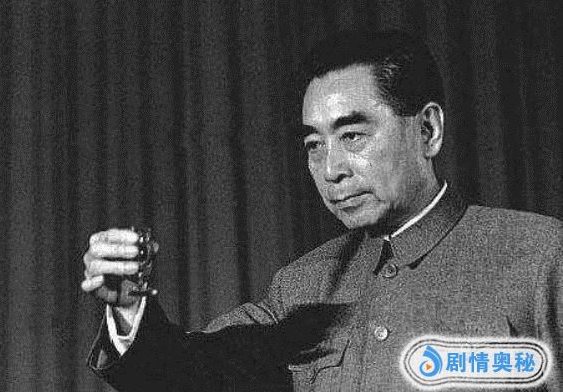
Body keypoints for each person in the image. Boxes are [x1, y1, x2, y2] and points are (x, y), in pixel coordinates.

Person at [81, 30, 562, 391]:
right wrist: (128, 308)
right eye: (314, 144)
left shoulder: (541, 259)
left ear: (428, 131)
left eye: (352, 136)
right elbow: (189, 375)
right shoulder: (302, 286)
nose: (331, 169)